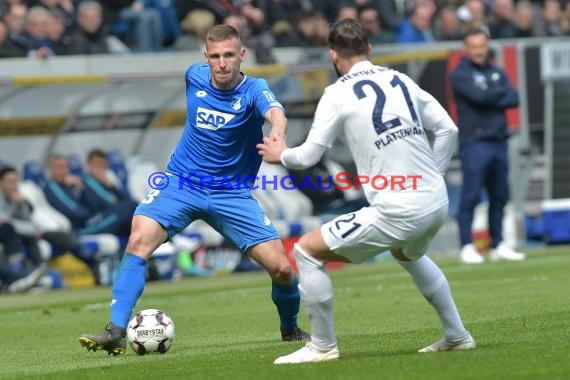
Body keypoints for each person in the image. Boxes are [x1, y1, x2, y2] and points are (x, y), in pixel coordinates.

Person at [78, 24, 308, 355]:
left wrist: (278, 134)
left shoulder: (254, 89)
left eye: (229, 55)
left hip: (230, 194)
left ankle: (290, 328)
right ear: (205, 58)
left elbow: (275, 111)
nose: (223, 63)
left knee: (282, 269)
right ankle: (115, 329)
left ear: (242, 55)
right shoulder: (194, 76)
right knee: (138, 239)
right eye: (215, 56)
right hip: (181, 183)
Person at [257, 18, 475, 364]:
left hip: (397, 209)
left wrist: (279, 154)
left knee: (306, 251)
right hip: (436, 200)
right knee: (409, 254)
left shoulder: (338, 93)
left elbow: (309, 155)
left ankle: (322, 346)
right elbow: (448, 129)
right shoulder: (400, 79)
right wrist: (432, 174)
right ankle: (456, 335)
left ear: (332, 54)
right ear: (369, 49)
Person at [449, 27, 526, 264]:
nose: (478, 51)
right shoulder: (459, 74)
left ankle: (499, 243)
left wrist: (489, 93)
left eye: (482, 46)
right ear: (466, 48)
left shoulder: (495, 70)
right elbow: (479, 98)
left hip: (498, 141)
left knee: (500, 195)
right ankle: (466, 245)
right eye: (473, 47)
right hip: (475, 142)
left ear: (487, 45)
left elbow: (514, 98)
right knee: (471, 196)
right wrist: (495, 94)